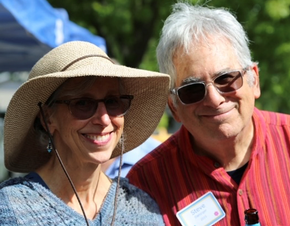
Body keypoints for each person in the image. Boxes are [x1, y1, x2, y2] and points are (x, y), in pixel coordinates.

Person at [127, 1, 290, 225]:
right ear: (174, 106)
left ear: (254, 80)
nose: (214, 99)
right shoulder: (146, 186)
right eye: (193, 90)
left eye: (226, 79)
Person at [0, 41, 170, 225]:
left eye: (113, 102)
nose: (104, 119)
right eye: (83, 104)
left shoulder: (140, 209)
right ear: (47, 117)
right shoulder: (12, 211)